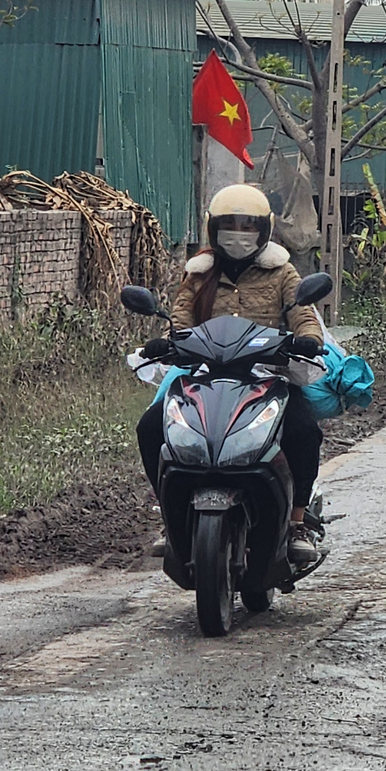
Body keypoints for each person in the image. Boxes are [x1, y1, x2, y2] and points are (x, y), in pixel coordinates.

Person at [136, 183, 328, 563]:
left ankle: (297, 521)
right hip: (205, 374)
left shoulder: (282, 272)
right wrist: (164, 342)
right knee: (151, 426)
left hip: (268, 375)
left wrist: (308, 339)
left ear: (264, 231)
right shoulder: (199, 273)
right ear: (213, 230)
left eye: (247, 228)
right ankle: (168, 514)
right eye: (229, 228)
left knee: (304, 431)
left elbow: (302, 314)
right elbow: (179, 319)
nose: (238, 236)